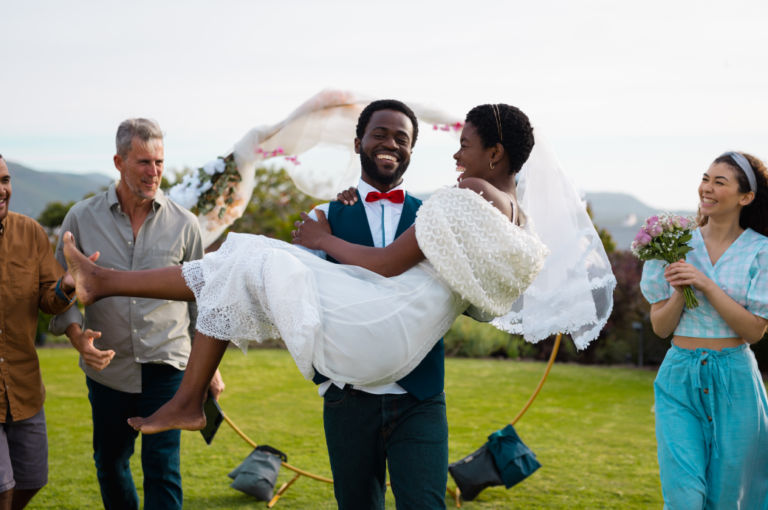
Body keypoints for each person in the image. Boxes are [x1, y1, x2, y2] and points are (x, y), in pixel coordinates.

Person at [48, 119, 222, 510]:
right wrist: (77, 337)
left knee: (163, 468)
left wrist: (209, 365)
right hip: (107, 368)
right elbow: (61, 294)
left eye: (159, 162)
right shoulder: (80, 219)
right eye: (144, 161)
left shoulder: (185, 224)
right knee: (110, 463)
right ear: (118, 161)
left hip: (168, 364)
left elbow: (202, 301)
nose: (154, 171)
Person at [640, 151, 768, 509]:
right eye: (705, 179)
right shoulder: (670, 243)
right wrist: (681, 291)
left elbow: (755, 331)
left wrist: (706, 285)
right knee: (684, 497)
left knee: (728, 497)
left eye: (719, 182)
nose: (706, 189)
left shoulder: (761, 251)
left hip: (736, 379)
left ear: (746, 197)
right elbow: (661, 327)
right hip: (679, 375)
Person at [0, 154, 82, 510]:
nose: (2, 189)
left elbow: (49, 298)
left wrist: (67, 283)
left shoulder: (29, 232)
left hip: (23, 384)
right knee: (1, 486)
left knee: (33, 479)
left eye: (4, 180)